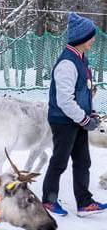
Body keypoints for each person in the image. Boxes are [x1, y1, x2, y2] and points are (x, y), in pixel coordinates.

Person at [42, 12, 106, 217]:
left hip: (77, 119)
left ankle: (84, 203)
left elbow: (84, 91)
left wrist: (91, 112)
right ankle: (49, 201)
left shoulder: (81, 59)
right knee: (60, 161)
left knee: (83, 161)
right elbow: (64, 100)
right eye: (91, 36)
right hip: (63, 120)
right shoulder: (67, 63)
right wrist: (84, 119)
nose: (93, 40)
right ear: (81, 38)